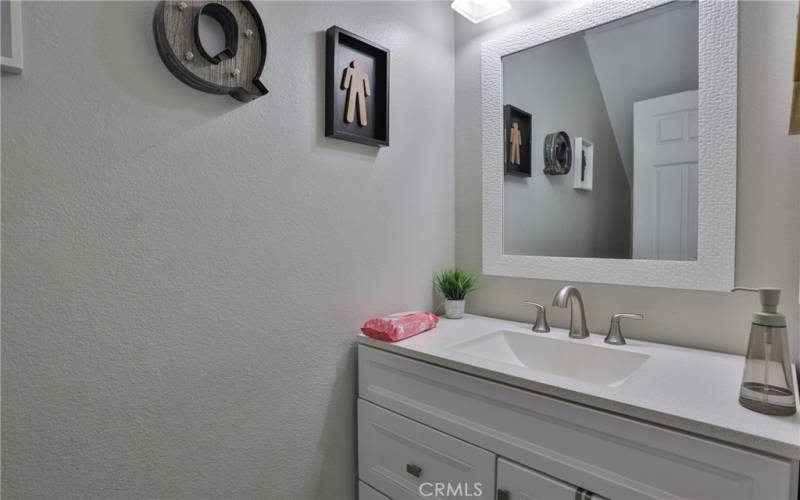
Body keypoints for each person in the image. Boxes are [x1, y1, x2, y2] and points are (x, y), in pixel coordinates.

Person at [342, 60, 371, 126]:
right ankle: (349, 117)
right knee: (351, 102)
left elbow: (366, 83)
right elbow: (346, 80)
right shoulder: (350, 70)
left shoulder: (364, 74)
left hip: (360, 89)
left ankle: (363, 121)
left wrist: (368, 91)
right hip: (353, 87)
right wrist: (346, 85)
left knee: (361, 103)